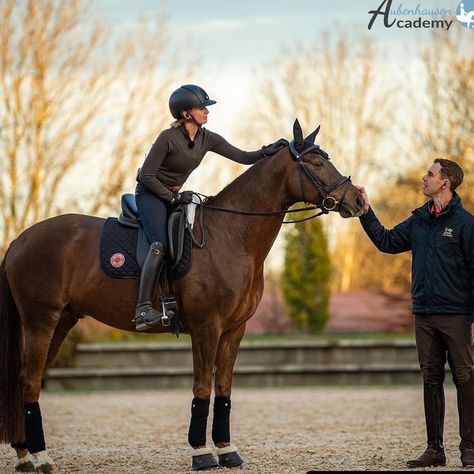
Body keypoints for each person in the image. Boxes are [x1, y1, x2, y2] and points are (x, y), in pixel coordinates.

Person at [133, 84, 288, 331]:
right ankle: (142, 308)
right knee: (160, 245)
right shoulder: (167, 138)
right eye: (202, 108)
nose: (207, 111)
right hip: (150, 195)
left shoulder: (207, 138)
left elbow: (243, 156)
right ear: (186, 114)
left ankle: (172, 299)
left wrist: (267, 151)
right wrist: (172, 199)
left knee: (185, 243)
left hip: (175, 196)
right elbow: (147, 177)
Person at [357, 158, 474, 469]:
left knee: (465, 378)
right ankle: (435, 450)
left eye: (430, 174)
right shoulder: (418, 221)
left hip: (457, 315)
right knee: (431, 379)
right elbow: (385, 241)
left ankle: (470, 450)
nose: (424, 178)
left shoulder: (466, 224)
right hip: (424, 313)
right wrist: (366, 211)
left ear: (445, 182)